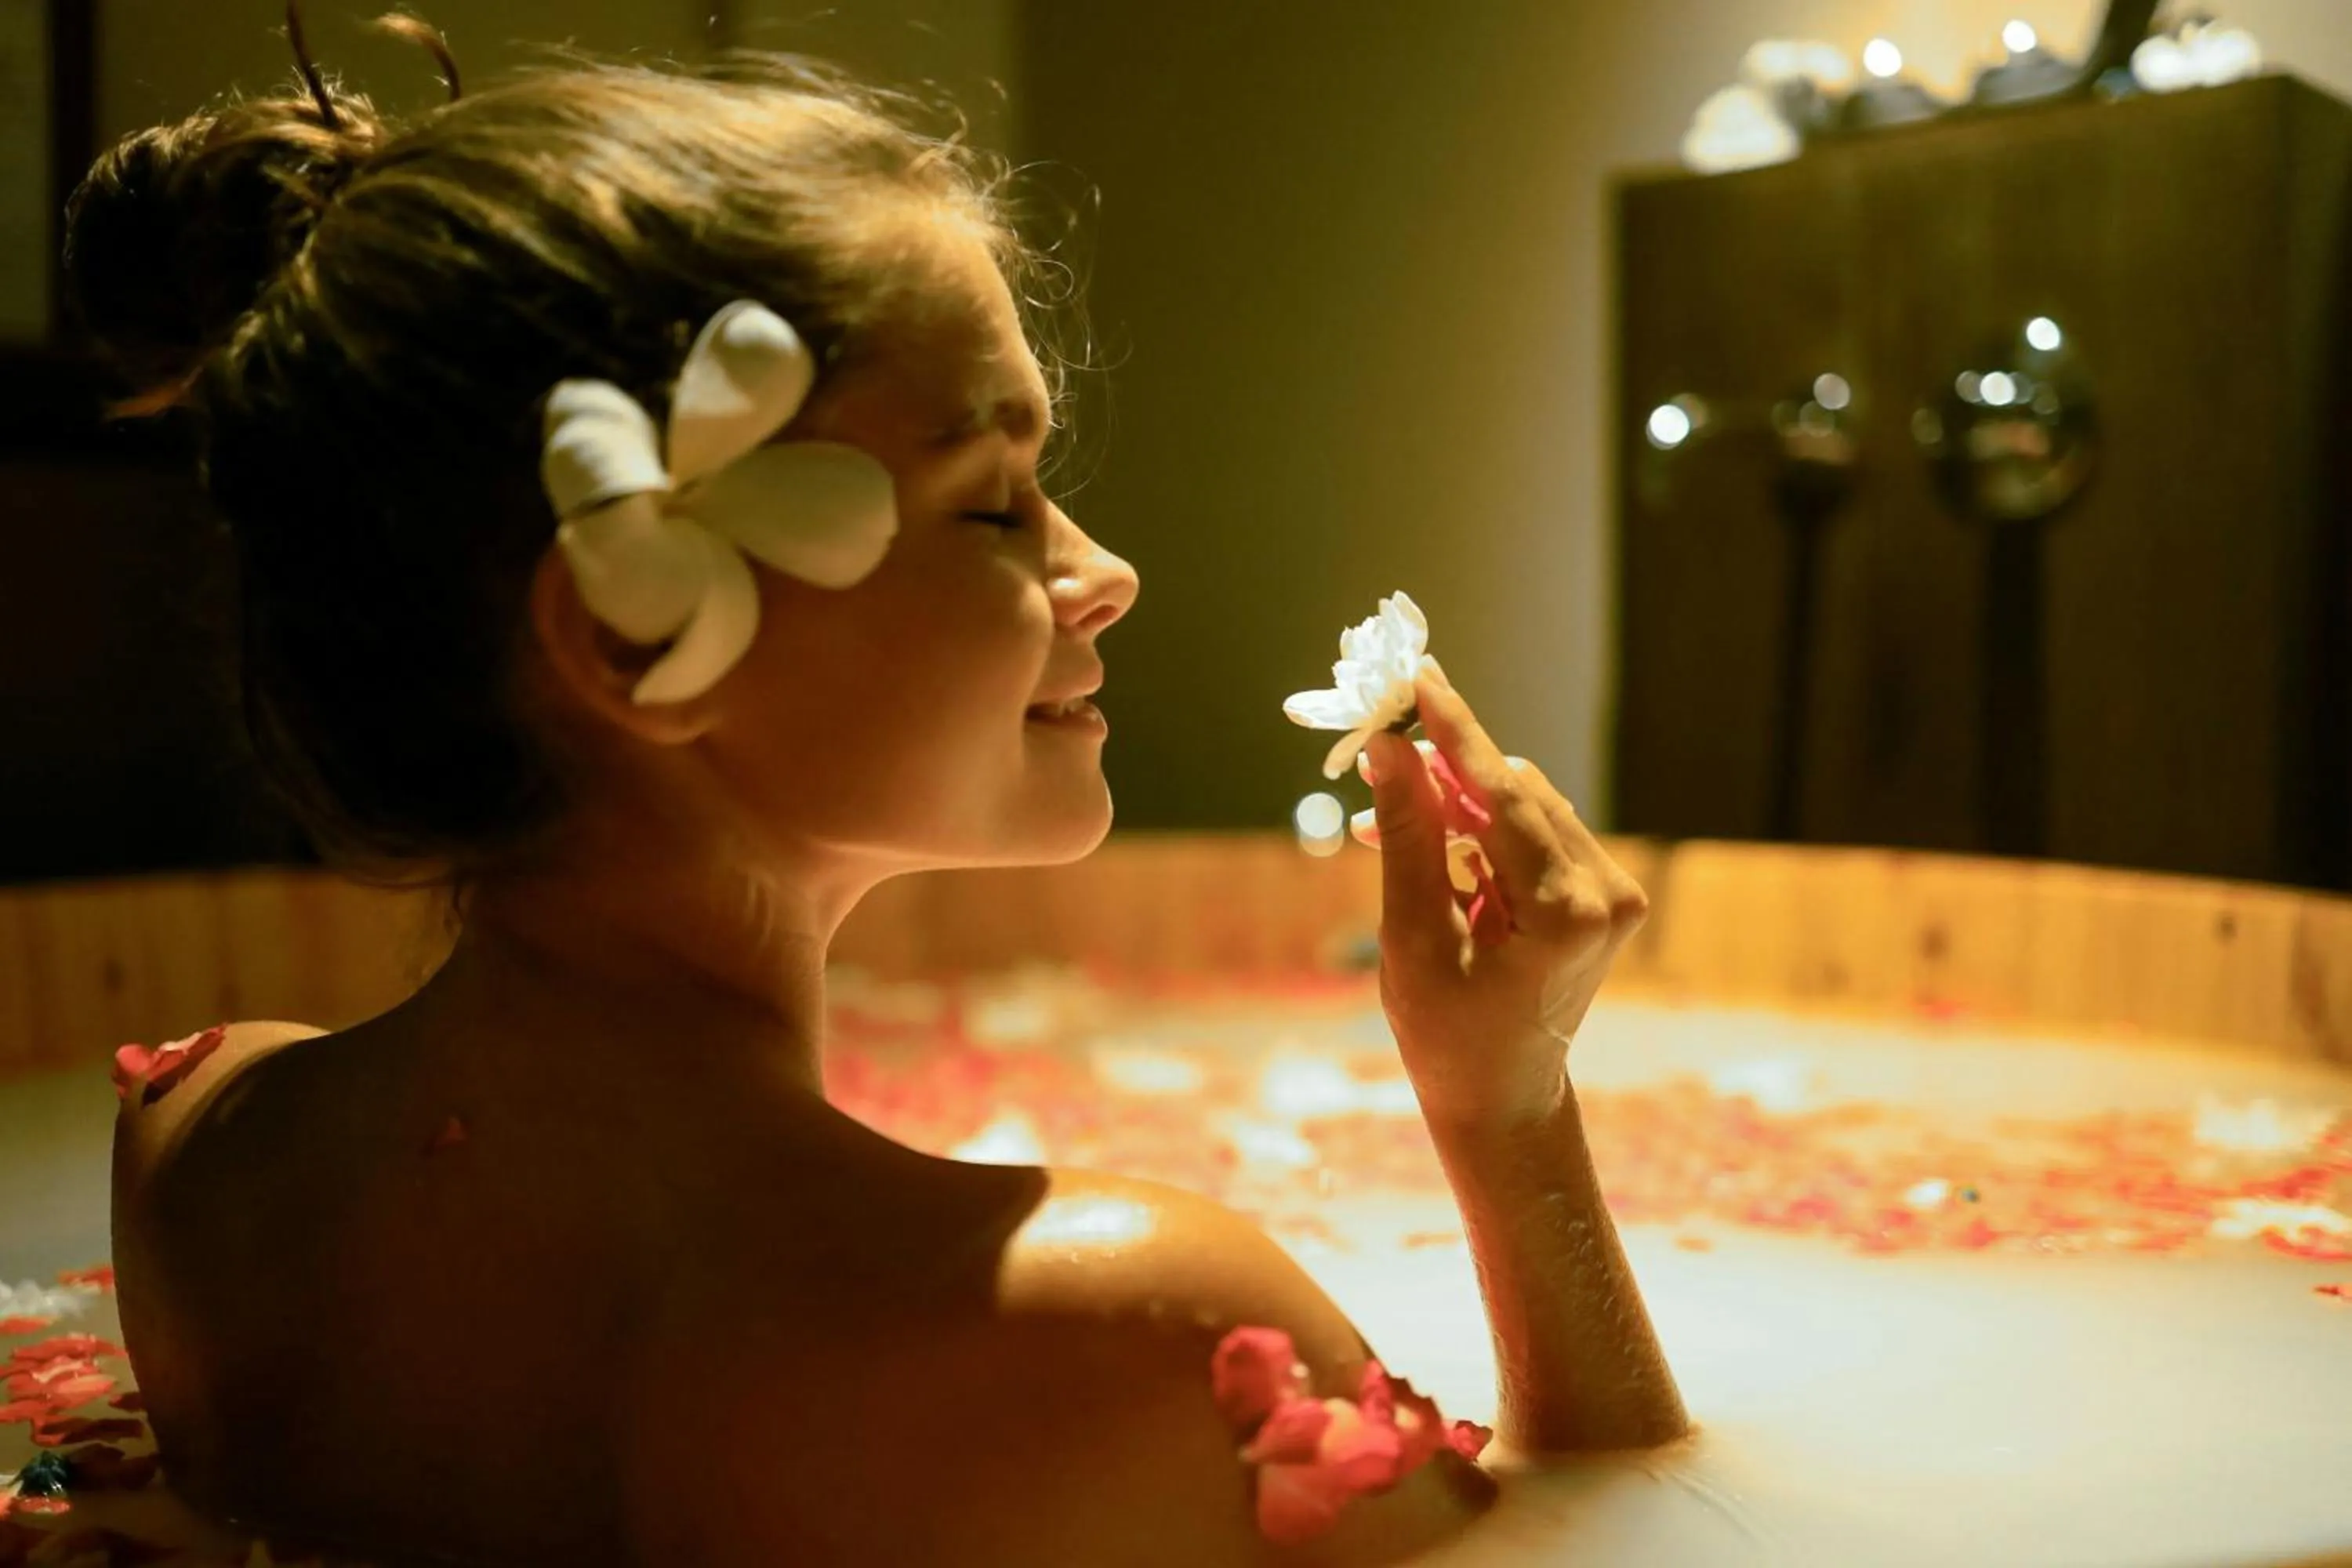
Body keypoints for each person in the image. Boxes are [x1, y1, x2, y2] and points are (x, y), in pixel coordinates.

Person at [67, 16, 1687, 1565]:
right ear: (631, 641)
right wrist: (1514, 1111)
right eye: (992, 505)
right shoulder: (1119, 1329)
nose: (1103, 571)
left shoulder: (199, 1156)